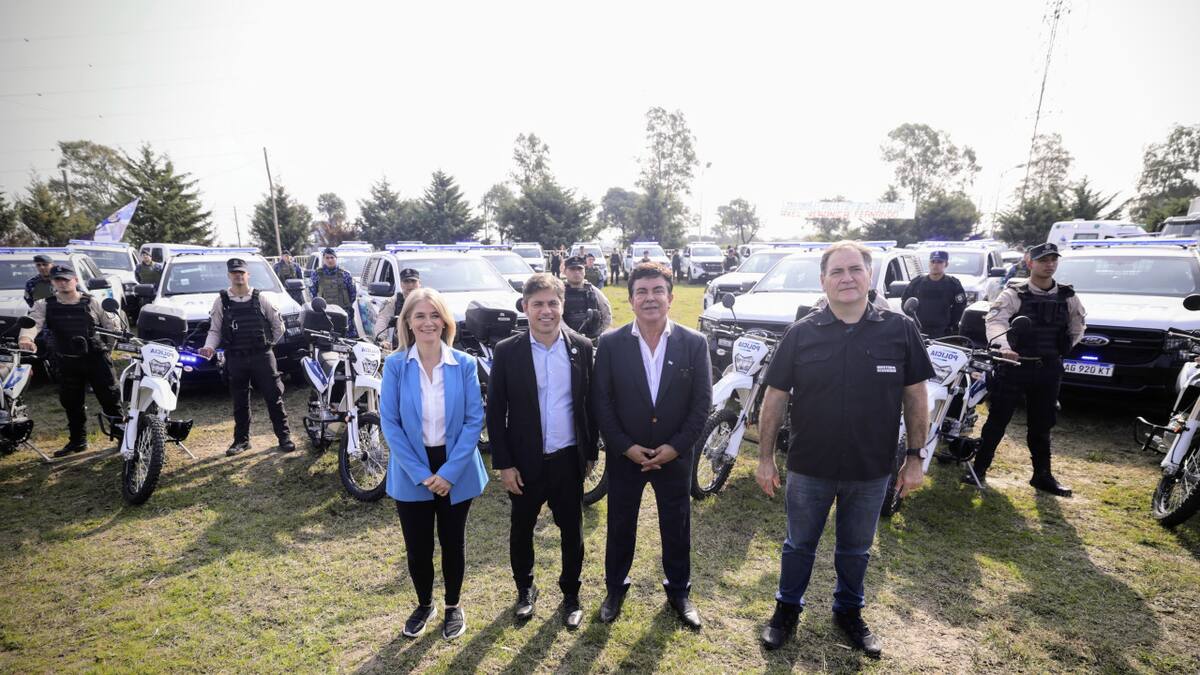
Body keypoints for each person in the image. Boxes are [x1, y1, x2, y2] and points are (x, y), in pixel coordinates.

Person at [754, 241, 934, 656]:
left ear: (869, 276)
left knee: (856, 548)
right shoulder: (801, 333)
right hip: (809, 465)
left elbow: (915, 396)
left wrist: (914, 459)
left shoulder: (900, 329)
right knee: (798, 545)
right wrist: (764, 459)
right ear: (823, 281)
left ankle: (848, 612)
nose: (846, 278)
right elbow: (775, 397)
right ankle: (786, 611)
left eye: (855, 269)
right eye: (836, 271)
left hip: (871, 468)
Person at [591, 263, 712, 629]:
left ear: (671, 297)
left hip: (674, 458)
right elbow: (602, 402)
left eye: (657, 290)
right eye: (641, 292)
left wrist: (675, 448)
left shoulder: (694, 343)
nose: (650, 298)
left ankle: (679, 591)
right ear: (630, 300)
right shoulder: (611, 344)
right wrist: (626, 447)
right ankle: (615, 588)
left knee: (676, 525)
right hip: (626, 456)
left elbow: (701, 404)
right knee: (620, 523)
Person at [487, 273, 598, 629]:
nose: (546, 311)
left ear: (562, 306)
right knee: (522, 528)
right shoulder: (507, 352)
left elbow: (589, 404)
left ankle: (571, 593)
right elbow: (495, 411)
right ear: (525, 307)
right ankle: (525, 588)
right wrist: (504, 464)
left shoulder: (581, 347)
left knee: (571, 530)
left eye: (553, 303)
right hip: (524, 462)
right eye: (538, 304)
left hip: (567, 459)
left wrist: (590, 452)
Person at [379, 287, 489, 641]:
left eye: (434, 315)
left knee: (452, 542)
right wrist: (423, 474)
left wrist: (449, 473)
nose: (428, 322)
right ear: (408, 323)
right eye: (420, 316)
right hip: (412, 468)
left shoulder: (464, 364)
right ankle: (425, 604)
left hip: (456, 465)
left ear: (445, 321)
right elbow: (390, 424)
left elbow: (475, 420)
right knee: (418, 546)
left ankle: (453, 606)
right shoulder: (395, 365)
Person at [969, 242, 1085, 496]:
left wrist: (1061, 349)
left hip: (1048, 369)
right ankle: (978, 469)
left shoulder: (1067, 296)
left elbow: (1077, 326)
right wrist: (1003, 345)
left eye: (1054, 259)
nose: (1049, 264)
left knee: (1042, 425)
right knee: (997, 420)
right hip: (1013, 366)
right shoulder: (1014, 293)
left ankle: (1042, 476)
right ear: (1030, 262)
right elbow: (996, 320)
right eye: (1043, 259)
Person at [19, 265, 123, 457]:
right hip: (66, 360)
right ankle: (78, 441)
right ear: (52, 282)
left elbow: (111, 327)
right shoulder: (44, 304)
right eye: (58, 279)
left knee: (110, 399)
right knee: (71, 403)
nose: (63, 283)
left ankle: (122, 438)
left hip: (96, 359)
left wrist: (109, 349)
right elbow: (32, 323)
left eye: (66, 279)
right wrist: (26, 339)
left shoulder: (91, 301)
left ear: (75, 280)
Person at [197, 258, 295, 456]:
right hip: (236, 357)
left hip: (262, 356)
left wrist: (267, 345)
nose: (238, 275)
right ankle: (241, 441)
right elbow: (215, 330)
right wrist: (209, 347)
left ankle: (284, 437)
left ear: (247, 275)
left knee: (274, 397)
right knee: (240, 401)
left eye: (241, 272)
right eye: (234, 273)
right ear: (229, 276)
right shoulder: (221, 301)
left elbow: (278, 326)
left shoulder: (261, 298)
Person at [900, 250, 968, 338]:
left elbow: (960, 306)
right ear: (929, 263)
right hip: (919, 330)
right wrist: (913, 318)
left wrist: (950, 323)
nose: (935, 265)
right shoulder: (917, 283)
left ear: (946, 264)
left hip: (943, 332)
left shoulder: (953, 285)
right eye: (932, 262)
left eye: (939, 262)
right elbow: (905, 302)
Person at [309, 248, 359, 337]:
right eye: (327, 258)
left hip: (343, 314)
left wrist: (346, 306)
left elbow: (353, 294)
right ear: (323, 259)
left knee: (347, 340)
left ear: (336, 258)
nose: (330, 260)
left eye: (332, 257)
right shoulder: (316, 274)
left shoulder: (345, 274)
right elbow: (313, 294)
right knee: (325, 341)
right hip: (325, 315)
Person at [562, 255, 612, 341]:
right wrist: (572, 335)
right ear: (565, 271)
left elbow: (607, 315)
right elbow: (556, 319)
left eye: (579, 269)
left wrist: (596, 334)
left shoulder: (594, 291)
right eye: (572, 269)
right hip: (567, 340)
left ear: (584, 271)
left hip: (592, 341)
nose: (577, 272)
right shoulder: (559, 292)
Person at [374, 268, 422, 350]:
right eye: (406, 281)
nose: (410, 285)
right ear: (401, 284)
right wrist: (382, 340)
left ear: (419, 283)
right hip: (401, 345)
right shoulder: (393, 301)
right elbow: (383, 319)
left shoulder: (427, 300)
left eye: (413, 281)